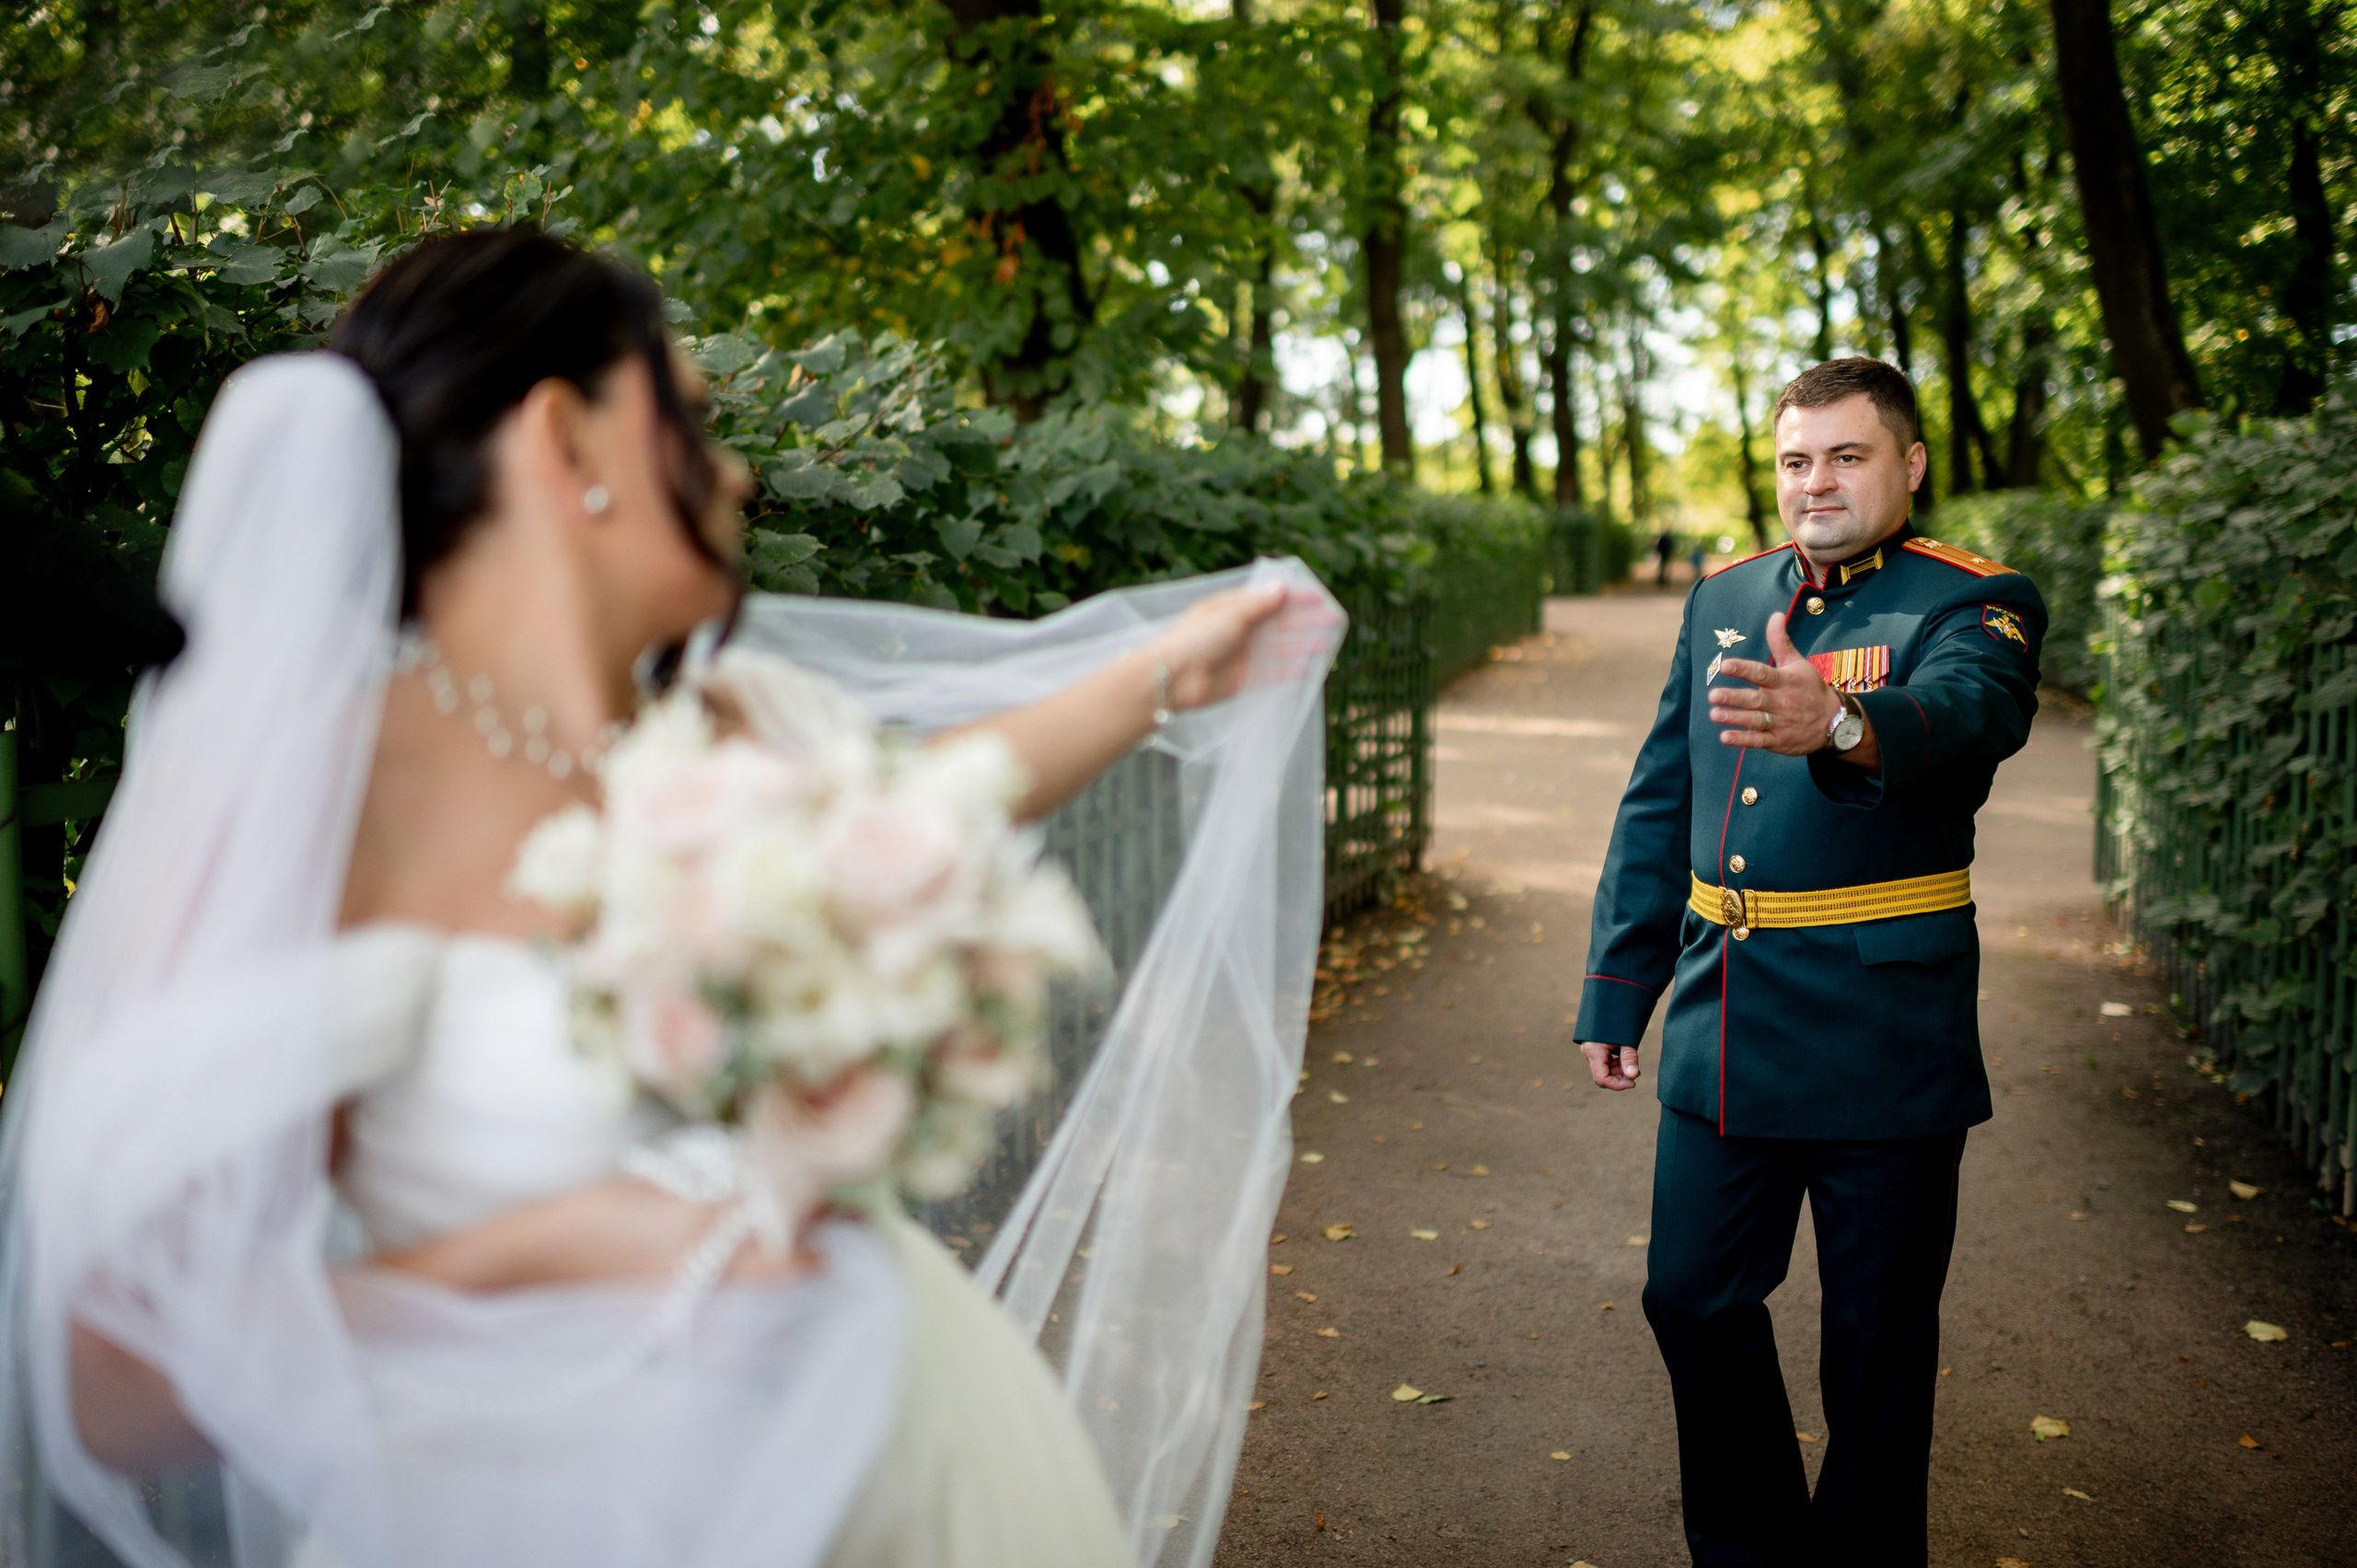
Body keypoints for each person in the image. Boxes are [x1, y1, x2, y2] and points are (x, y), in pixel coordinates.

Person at [0, 229, 1337, 1568]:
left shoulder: (736, 721)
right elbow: (115, 1381)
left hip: (931, 1453)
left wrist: (1167, 675)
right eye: (690, 421)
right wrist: (550, 1253)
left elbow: (940, 797)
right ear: (563, 438)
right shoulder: (329, 797)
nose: (735, 470)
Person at [1571, 356, 2045, 1565]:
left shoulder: (1971, 599)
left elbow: (1971, 713)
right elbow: (1660, 798)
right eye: (1796, 459)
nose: (1815, 481)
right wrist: (1619, 988)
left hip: (1884, 1035)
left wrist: (1837, 722)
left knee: (1875, 1351)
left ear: (1909, 464)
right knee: (1690, 1297)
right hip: (1726, 1022)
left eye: (1846, 455)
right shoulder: (1724, 596)